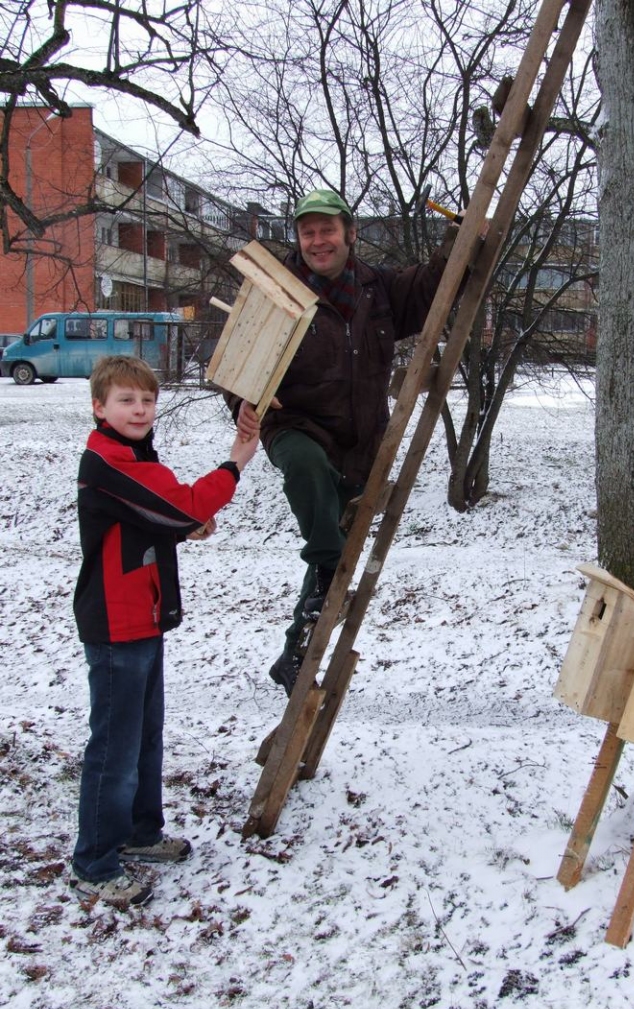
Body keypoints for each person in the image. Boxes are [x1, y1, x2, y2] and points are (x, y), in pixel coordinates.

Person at [231, 188, 457, 697]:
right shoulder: (277, 290)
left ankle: (295, 653)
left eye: (327, 230)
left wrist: (456, 241)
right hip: (296, 426)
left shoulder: (378, 289)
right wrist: (242, 403)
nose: (318, 241)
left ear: (349, 235)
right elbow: (239, 366)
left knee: (329, 550)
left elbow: (431, 288)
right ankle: (328, 562)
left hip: (359, 441)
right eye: (308, 232)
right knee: (311, 484)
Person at [70, 355, 260, 909]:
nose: (139, 409)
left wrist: (180, 524)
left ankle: (139, 833)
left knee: (145, 736)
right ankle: (95, 863)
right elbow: (179, 503)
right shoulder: (109, 460)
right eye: (126, 401)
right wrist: (235, 461)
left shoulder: (133, 454)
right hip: (116, 623)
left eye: (147, 400)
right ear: (99, 408)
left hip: (145, 617)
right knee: (114, 744)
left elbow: (155, 517)